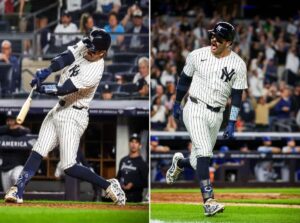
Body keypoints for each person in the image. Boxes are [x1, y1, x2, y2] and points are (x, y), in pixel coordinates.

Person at [4, 28, 126, 205]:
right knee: (38, 150)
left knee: (69, 166)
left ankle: (108, 185)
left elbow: (63, 89)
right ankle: (18, 190)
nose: (88, 51)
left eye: (93, 50)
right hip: (59, 109)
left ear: (102, 53)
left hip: (74, 114)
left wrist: (42, 88)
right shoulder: (87, 45)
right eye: (88, 46)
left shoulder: (94, 71)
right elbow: (66, 57)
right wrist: (46, 71)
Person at [166, 22, 248, 216]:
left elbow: (236, 97)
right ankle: (208, 200)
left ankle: (179, 163)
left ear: (228, 42)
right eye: (212, 36)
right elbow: (184, 80)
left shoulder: (238, 64)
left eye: (218, 38)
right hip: (194, 107)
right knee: (204, 152)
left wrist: (232, 122)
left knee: (197, 159)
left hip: (217, 114)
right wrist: (177, 102)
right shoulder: (197, 55)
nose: (213, 40)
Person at [0, 111, 30, 192]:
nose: (10, 122)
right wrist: (9, 128)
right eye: (8, 120)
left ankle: (20, 197)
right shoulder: (3, 131)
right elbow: (3, 129)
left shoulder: (22, 131)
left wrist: (17, 128)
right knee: (8, 193)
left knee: (16, 178)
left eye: (12, 120)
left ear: (16, 121)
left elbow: (27, 131)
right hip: (5, 167)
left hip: (18, 165)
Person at [117, 133, 148, 202]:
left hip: (135, 196)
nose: (133, 144)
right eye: (132, 142)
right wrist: (121, 184)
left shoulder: (142, 163)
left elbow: (145, 182)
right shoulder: (123, 160)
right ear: (129, 144)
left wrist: (133, 184)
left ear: (140, 146)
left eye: (136, 142)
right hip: (121, 195)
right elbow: (118, 177)